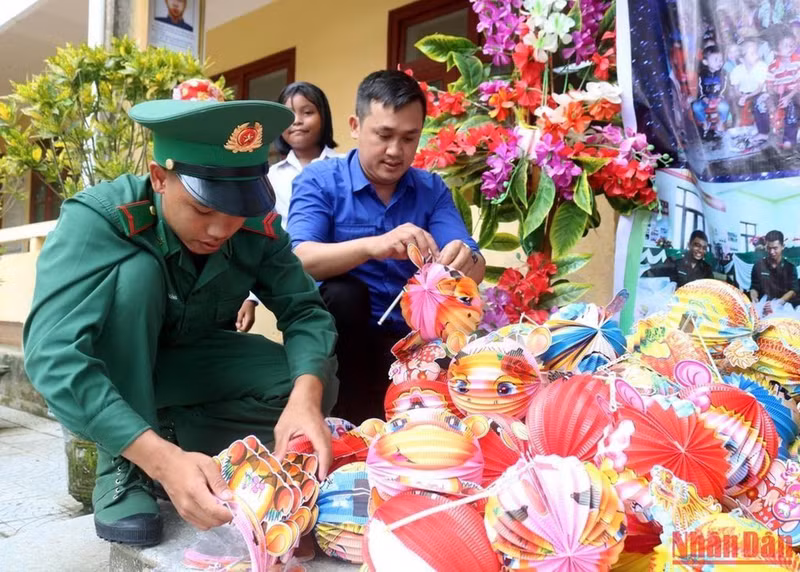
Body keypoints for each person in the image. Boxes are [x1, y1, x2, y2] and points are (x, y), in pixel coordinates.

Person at [23, 98, 338, 547]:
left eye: (236, 211)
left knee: (310, 383)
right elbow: (52, 356)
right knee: (136, 275)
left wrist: (306, 401)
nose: (220, 229)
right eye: (204, 209)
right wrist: (161, 461)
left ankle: (166, 438)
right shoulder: (99, 220)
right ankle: (128, 463)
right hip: (114, 374)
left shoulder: (253, 225)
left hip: (184, 371)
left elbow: (305, 311)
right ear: (159, 178)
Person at [287, 70, 485, 423]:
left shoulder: (431, 190)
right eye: (384, 135)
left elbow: (473, 261)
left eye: (410, 138)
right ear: (355, 126)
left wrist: (464, 259)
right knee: (344, 293)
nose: (396, 151)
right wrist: (373, 246)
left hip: (411, 338)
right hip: (342, 341)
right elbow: (299, 258)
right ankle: (349, 414)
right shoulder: (319, 182)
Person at [235, 82, 341, 333]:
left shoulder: (345, 165)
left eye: (307, 112)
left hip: (341, 279)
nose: (297, 121)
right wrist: (251, 297)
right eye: (289, 115)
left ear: (323, 116)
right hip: (293, 281)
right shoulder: (269, 178)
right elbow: (264, 238)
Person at [750, 230, 798, 311]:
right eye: (769, 248)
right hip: (763, 308)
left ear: (782, 246)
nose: (772, 252)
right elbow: (754, 287)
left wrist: (777, 303)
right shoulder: (758, 266)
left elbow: (793, 290)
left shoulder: (790, 267)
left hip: (783, 309)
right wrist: (754, 298)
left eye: (775, 248)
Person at [647, 230, 714, 287]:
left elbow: (711, 289)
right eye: (697, 246)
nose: (700, 250)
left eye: (704, 248)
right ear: (689, 245)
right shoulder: (675, 261)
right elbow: (653, 275)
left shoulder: (706, 269)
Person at [692, 46, 730, 140]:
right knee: (696, 107)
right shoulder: (701, 75)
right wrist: (704, 98)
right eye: (716, 60)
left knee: (724, 107)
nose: (719, 62)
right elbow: (699, 88)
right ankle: (705, 122)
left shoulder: (723, 73)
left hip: (719, 97)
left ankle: (720, 123)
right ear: (705, 62)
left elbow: (725, 87)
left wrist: (720, 97)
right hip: (706, 98)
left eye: (721, 60)